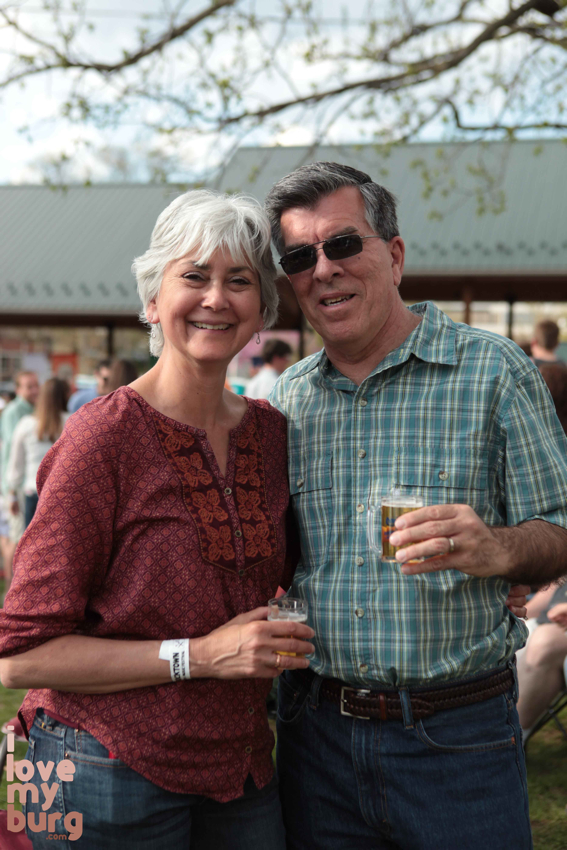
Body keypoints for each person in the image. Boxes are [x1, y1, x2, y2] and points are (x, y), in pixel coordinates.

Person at [264, 161, 567, 850]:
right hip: (316, 737)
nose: (323, 269)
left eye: (343, 244)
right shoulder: (287, 401)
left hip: (456, 740)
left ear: (394, 255)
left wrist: (499, 549)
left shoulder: (493, 371)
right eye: (300, 257)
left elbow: (560, 525)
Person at [0, 189, 314, 850]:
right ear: (152, 300)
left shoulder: (271, 435)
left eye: (239, 281)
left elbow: (296, 570)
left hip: (241, 768)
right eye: (193, 276)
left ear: (262, 309)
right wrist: (199, 656)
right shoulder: (102, 439)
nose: (216, 298)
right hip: (98, 767)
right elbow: (20, 656)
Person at [516, 361, 567, 739]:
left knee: (541, 644)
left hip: (556, 613)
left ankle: (509, 742)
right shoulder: (536, 460)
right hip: (549, 597)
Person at [6, 378, 70, 529]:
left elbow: (16, 463)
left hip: (33, 491)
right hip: (63, 493)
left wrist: (12, 494)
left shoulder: (26, 424)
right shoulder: (73, 421)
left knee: (31, 542)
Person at [0, 371, 40, 587]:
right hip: (13, 486)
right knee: (15, 539)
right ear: (18, 390)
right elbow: (10, 453)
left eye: (36, 385)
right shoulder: (14, 412)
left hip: (20, 485)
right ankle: (10, 592)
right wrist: (10, 491)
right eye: (28, 386)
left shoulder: (32, 410)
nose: (34, 390)